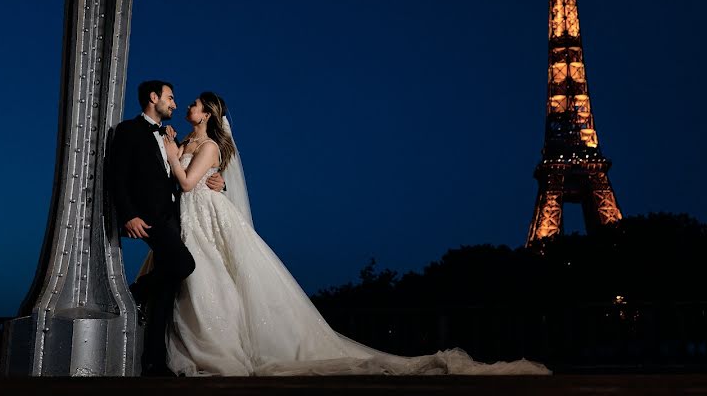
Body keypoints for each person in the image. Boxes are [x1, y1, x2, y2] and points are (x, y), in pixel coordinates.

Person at [151, 91, 550, 376]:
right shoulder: (187, 140)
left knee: (218, 280)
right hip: (193, 217)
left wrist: (175, 156)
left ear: (207, 113)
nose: (188, 106)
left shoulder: (207, 148)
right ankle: (207, 343)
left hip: (206, 214)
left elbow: (187, 181)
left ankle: (221, 348)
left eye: (194, 104)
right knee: (209, 283)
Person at [107, 80, 224, 376]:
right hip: (149, 218)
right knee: (184, 264)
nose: (175, 103)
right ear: (153, 97)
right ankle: (134, 290)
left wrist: (220, 184)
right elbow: (118, 177)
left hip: (175, 217)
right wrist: (129, 215)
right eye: (170, 98)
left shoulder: (172, 136)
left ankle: (154, 362)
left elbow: (192, 173)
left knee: (168, 290)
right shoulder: (129, 130)